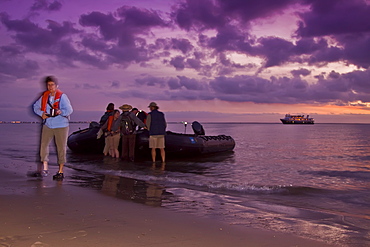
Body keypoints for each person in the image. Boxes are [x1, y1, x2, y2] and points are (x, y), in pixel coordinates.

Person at [32, 76, 73, 180]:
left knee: (61, 148)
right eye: (48, 85)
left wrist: (61, 111)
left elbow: (69, 109)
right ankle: (45, 167)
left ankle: (60, 171)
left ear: (56, 86)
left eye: (52, 85)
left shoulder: (62, 96)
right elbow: (35, 107)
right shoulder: (44, 96)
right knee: (43, 146)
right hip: (48, 124)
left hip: (61, 125)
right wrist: (42, 113)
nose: (50, 87)